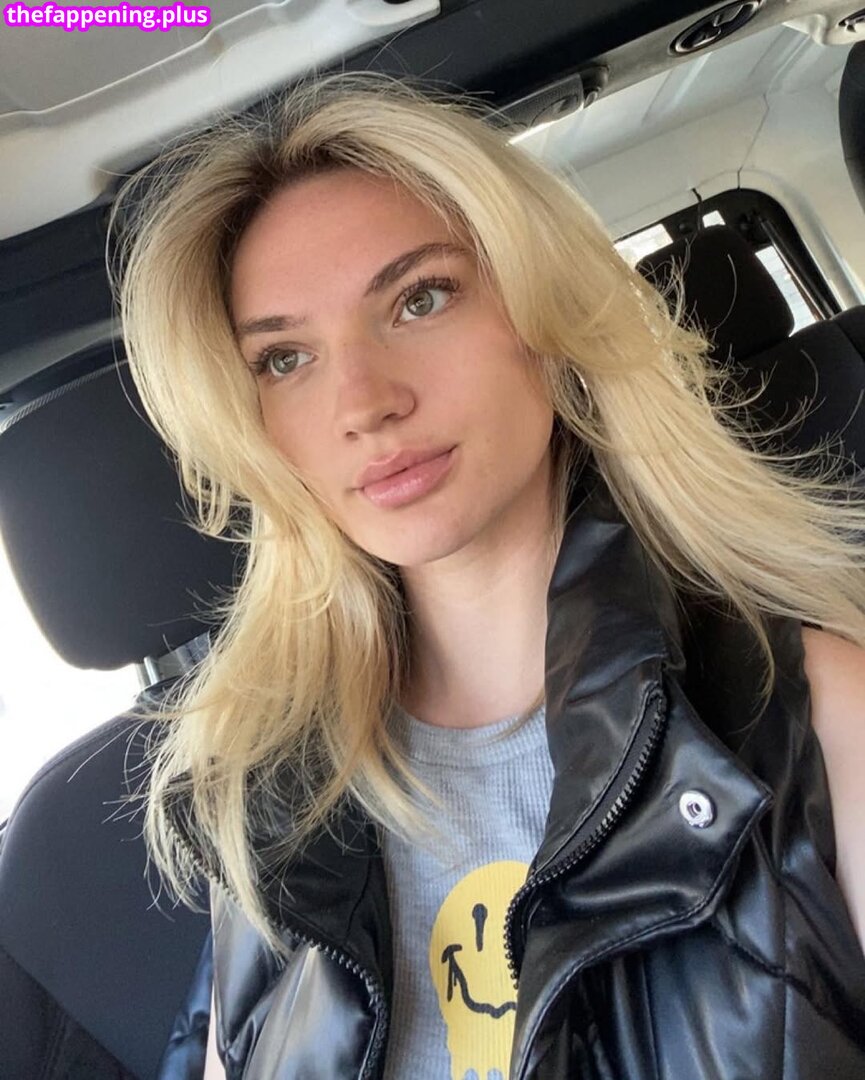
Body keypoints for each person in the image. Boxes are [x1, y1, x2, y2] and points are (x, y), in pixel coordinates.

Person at [112, 72, 865, 1078]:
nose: (363, 403)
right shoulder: (262, 801)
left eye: (418, 299)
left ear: (544, 316)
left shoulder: (812, 717)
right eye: (284, 359)